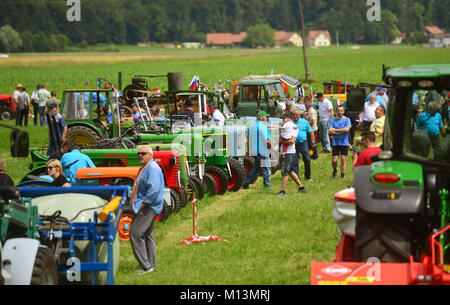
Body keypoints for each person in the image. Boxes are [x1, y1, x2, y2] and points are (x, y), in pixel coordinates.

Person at [130, 146, 164, 274]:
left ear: (150, 155)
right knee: (148, 235)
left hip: (149, 207)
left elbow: (153, 189)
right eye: (138, 154)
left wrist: (144, 203)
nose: (140, 156)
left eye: (143, 153)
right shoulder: (146, 167)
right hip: (148, 206)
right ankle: (151, 266)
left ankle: (146, 266)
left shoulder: (152, 169)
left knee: (135, 232)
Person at [277, 113, 306, 196]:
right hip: (285, 152)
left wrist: (281, 141)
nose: (283, 120)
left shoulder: (293, 127)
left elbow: (292, 141)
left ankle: (283, 191)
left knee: (285, 171)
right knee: (289, 171)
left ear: (288, 118)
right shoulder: (286, 127)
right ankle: (301, 187)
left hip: (289, 152)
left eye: (284, 119)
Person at [242, 111, 272, 189]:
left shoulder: (251, 127)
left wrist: (248, 151)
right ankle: (267, 186)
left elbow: (248, 140)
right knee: (266, 170)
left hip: (256, 151)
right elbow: (267, 140)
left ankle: (246, 182)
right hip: (263, 151)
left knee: (256, 169)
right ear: (263, 118)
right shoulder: (264, 127)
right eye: (266, 117)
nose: (267, 119)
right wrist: (270, 147)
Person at [328, 105, 352, 180]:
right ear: (336, 111)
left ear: (343, 111)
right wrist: (342, 130)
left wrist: (335, 131)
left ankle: (342, 175)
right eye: (338, 110)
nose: (340, 112)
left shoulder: (347, 119)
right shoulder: (333, 120)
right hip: (335, 142)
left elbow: (347, 130)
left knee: (343, 159)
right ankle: (335, 170)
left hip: (344, 142)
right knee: (334, 160)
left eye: (341, 111)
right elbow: (330, 131)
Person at [292, 109, 314, 181]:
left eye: (297, 115)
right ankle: (296, 178)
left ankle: (308, 177)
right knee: (294, 162)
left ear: (299, 115)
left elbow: (311, 131)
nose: (295, 116)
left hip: (303, 143)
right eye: (294, 115)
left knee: (307, 160)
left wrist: (313, 142)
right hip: (293, 144)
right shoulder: (290, 122)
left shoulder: (304, 122)